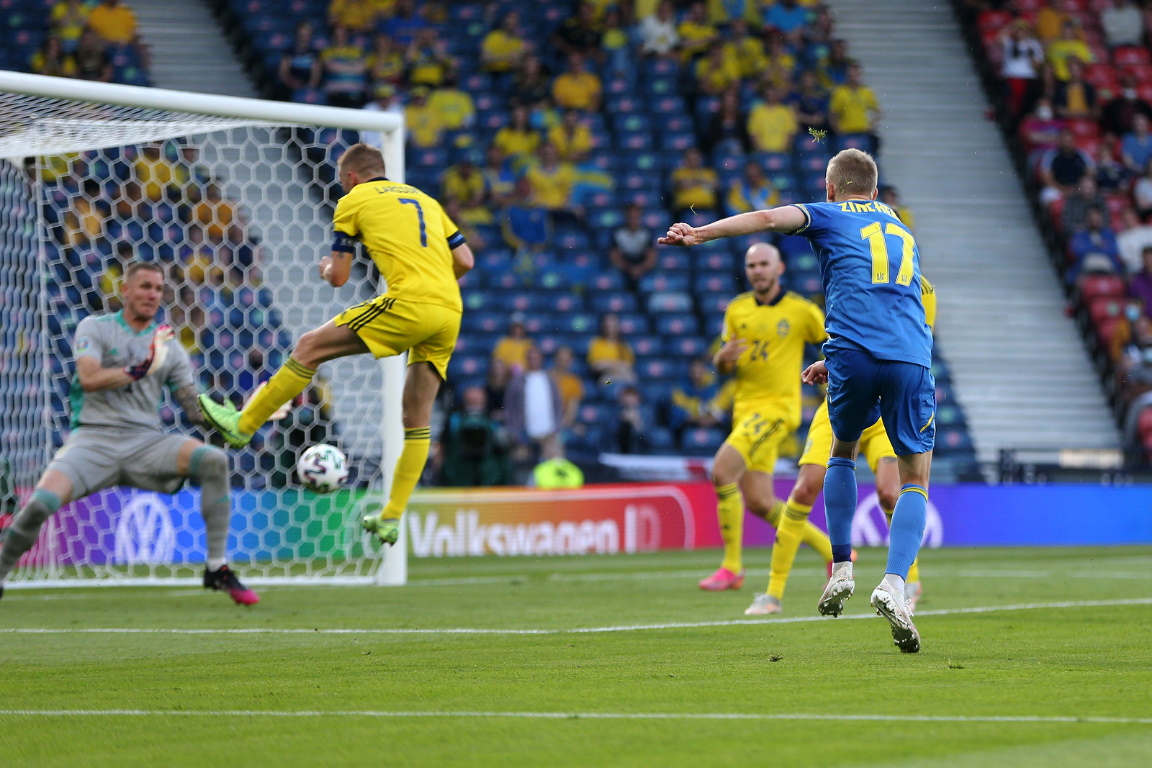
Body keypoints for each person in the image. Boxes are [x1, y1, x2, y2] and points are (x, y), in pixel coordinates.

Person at [660, 148, 935, 653]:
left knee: (841, 453)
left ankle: (843, 566)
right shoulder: (899, 225)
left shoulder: (827, 212)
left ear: (831, 189)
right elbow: (902, 295)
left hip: (852, 355)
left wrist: (701, 233)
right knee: (915, 478)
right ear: (874, 193)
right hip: (909, 353)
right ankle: (895, 583)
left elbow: (767, 217)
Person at [197, 143, 475, 549]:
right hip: (449, 310)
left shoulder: (353, 200)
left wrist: (327, 268)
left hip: (410, 303)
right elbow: (465, 260)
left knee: (309, 346)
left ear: (351, 178)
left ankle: (243, 425)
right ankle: (391, 517)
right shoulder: (426, 200)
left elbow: (341, 277)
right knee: (416, 417)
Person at [0, 262, 258, 605]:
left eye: (158, 288)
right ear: (125, 290)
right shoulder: (95, 327)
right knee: (39, 505)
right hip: (92, 441)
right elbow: (89, 378)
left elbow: (193, 409)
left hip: (146, 442)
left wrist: (242, 418)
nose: (152, 294)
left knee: (213, 459)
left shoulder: (168, 346)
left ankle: (216, 567)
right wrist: (140, 368)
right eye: (145, 286)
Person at [746, 275, 937, 617]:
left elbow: (912, 339)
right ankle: (772, 593)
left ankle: (907, 585)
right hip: (842, 397)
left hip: (886, 405)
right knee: (804, 489)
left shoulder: (921, 287)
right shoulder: (848, 268)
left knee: (892, 493)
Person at [673, 243, 827, 593]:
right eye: (752, 265)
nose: (757, 270)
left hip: (778, 409)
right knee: (759, 501)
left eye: (764, 264)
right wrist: (721, 358)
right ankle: (829, 551)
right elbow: (723, 365)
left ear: (779, 268)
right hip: (744, 410)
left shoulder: (802, 311)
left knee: (722, 471)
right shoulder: (737, 309)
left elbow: (832, 344)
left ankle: (732, 568)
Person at [436, 386, 512, 487]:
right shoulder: (454, 420)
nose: (474, 396)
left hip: (488, 476)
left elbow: (503, 452)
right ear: (464, 396)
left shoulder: (493, 420)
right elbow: (442, 447)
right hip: (459, 475)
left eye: (478, 392)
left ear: (484, 396)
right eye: (471, 392)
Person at [504, 346, 564, 465]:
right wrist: (515, 432)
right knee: (521, 466)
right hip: (523, 434)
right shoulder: (517, 381)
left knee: (555, 466)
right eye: (530, 358)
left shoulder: (550, 380)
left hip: (549, 434)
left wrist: (556, 428)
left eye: (536, 358)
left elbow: (558, 405)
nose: (533, 361)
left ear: (541, 359)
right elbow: (509, 407)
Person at [610, 203, 658, 291]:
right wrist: (630, 269)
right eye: (631, 217)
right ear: (626, 218)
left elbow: (651, 258)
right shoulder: (618, 233)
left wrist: (640, 269)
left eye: (636, 217)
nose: (633, 220)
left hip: (642, 265)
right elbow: (615, 258)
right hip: (624, 266)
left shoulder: (647, 233)